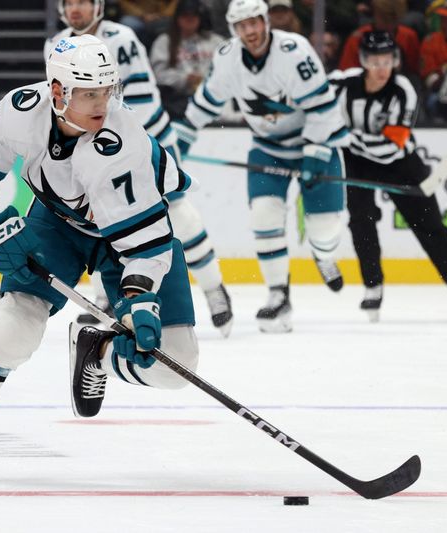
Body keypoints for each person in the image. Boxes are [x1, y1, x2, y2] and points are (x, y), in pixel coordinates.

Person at [0, 35, 201, 481]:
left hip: (131, 237)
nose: (100, 104)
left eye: (105, 91)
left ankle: (99, 349)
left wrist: (140, 299)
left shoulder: (122, 144)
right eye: (87, 93)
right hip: (56, 223)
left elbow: (146, 246)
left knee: (176, 366)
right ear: (57, 91)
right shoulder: (21, 112)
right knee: (10, 327)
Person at [45, 0, 233, 337]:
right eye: (70, 1)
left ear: (98, 6)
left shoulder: (122, 38)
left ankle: (214, 288)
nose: (76, 8)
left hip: (146, 139)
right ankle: (105, 297)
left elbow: (143, 99)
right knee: (101, 218)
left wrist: (127, 148)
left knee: (178, 213)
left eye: (83, 2)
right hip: (94, 147)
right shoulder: (55, 44)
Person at [174, 0, 350, 333]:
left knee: (324, 231)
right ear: (233, 30)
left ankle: (324, 256)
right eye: (242, 26)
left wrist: (313, 153)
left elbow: (323, 107)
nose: (250, 32)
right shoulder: (227, 59)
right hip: (268, 148)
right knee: (264, 216)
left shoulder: (294, 51)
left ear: (266, 22)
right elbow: (207, 102)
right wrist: (183, 138)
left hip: (316, 143)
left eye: (254, 23)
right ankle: (278, 294)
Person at [328, 31, 447, 321]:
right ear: (363, 61)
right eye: (374, 61)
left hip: (400, 164)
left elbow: (389, 149)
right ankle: (373, 286)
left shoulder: (403, 90)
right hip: (356, 162)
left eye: (388, 60)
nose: (382, 68)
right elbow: (308, 100)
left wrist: (344, 137)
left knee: (432, 229)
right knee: (362, 219)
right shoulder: (341, 83)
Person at [150, 0, 224, 120]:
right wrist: (184, 79)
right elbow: (158, 75)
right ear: (177, 18)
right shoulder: (164, 42)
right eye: (185, 16)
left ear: (200, 18)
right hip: (179, 102)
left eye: (193, 15)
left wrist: (208, 79)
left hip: (215, 97)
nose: (189, 20)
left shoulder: (216, 41)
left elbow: (229, 69)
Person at [338, 0, 420, 78]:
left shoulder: (409, 36)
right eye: (383, 17)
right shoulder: (358, 38)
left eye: (392, 17)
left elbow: (414, 72)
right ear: (375, 13)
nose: (388, 23)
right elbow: (347, 73)